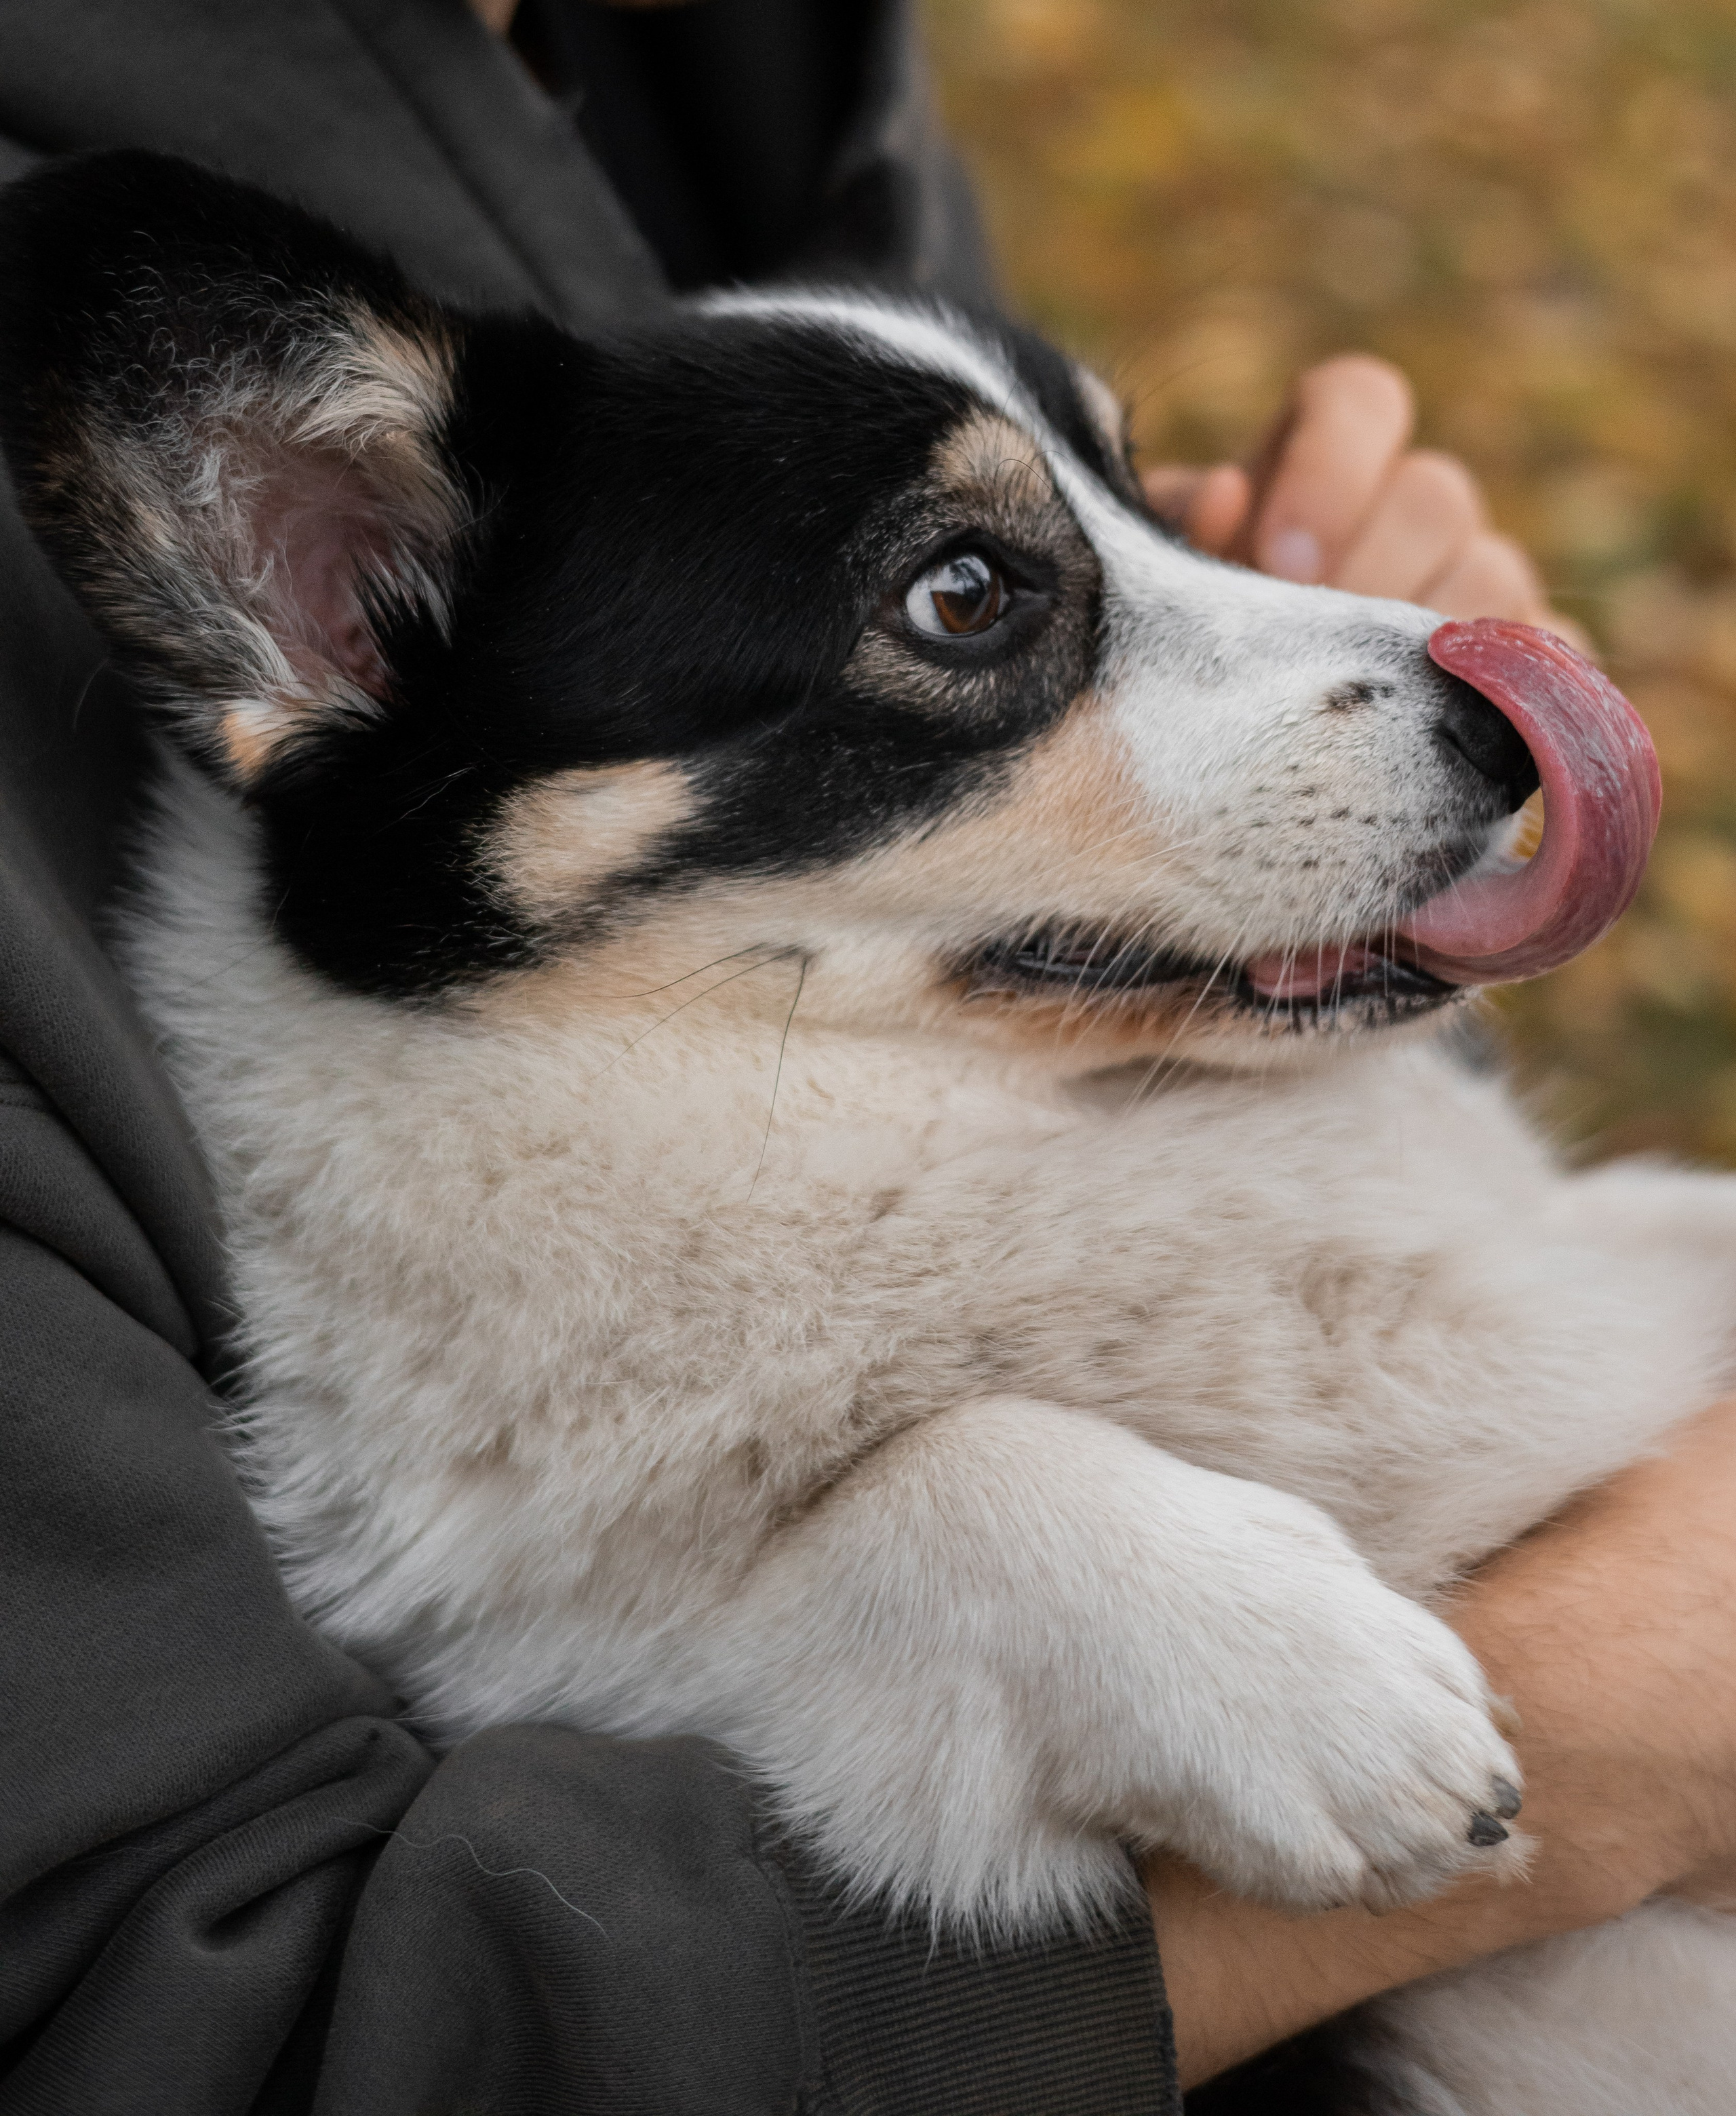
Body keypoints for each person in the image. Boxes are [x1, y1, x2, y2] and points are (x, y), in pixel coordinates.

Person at [1, 5, 1732, 2111]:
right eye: (971, 596)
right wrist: (1608, 1701)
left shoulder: (741, 54)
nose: (1403, 673)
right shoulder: (539, 1361)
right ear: (329, 581)